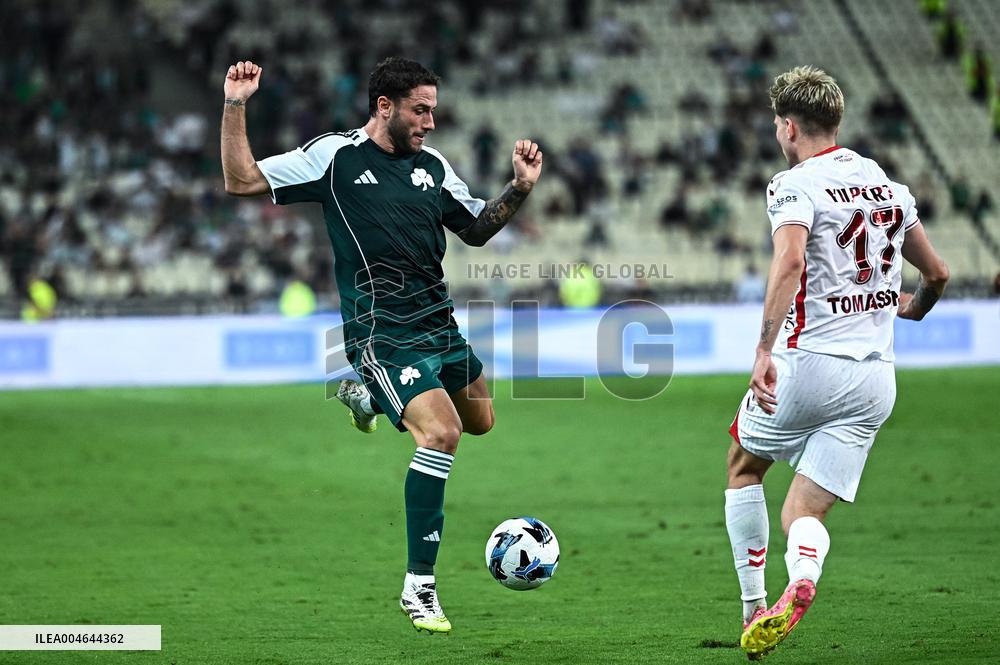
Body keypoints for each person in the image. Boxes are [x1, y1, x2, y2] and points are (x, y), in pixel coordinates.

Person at [220, 57, 543, 634]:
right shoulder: (335, 158)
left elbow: (474, 227)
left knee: (482, 421)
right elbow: (241, 179)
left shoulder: (434, 167)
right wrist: (236, 103)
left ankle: (367, 399)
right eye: (421, 111)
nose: (431, 123)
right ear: (385, 107)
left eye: (434, 111)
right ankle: (419, 586)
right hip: (380, 330)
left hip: (437, 322)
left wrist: (518, 189)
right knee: (440, 433)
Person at [723, 66, 949, 660]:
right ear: (838, 122)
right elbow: (939, 274)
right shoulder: (886, 185)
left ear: (789, 126)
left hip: (810, 361)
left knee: (744, 465)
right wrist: (911, 308)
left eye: (777, 124)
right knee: (804, 508)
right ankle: (803, 577)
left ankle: (751, 605)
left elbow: (791, 261)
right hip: (876, 378)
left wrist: (764, 349)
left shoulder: (793, 185)